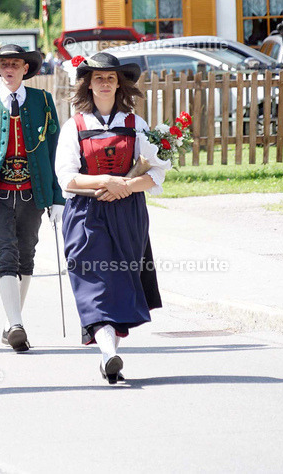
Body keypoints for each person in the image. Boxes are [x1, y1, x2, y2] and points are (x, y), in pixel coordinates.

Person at [54, 52, 170, 384]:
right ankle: (108, 353)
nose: (105, 83)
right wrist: (107, 181)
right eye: (98, 78)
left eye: (110, 78)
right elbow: (66, 178)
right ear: (88, 85)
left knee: (119, 283)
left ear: (119, 84)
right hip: (85, 213)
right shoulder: (74, 126)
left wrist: (127, 186)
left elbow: (157, 173)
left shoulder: (136, 125)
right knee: (93, 280)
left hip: (128, 212)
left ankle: (109, 355)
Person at [0, 44, 64, 352]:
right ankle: (17, 324)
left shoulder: (43, 101)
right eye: (4, 64)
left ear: (25, 69)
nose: (9, 69)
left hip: (33, 193)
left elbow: (55, 151)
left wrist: (58, 197)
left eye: (15, 64)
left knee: (27, 255)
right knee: (5, 253)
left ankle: (10, 323)